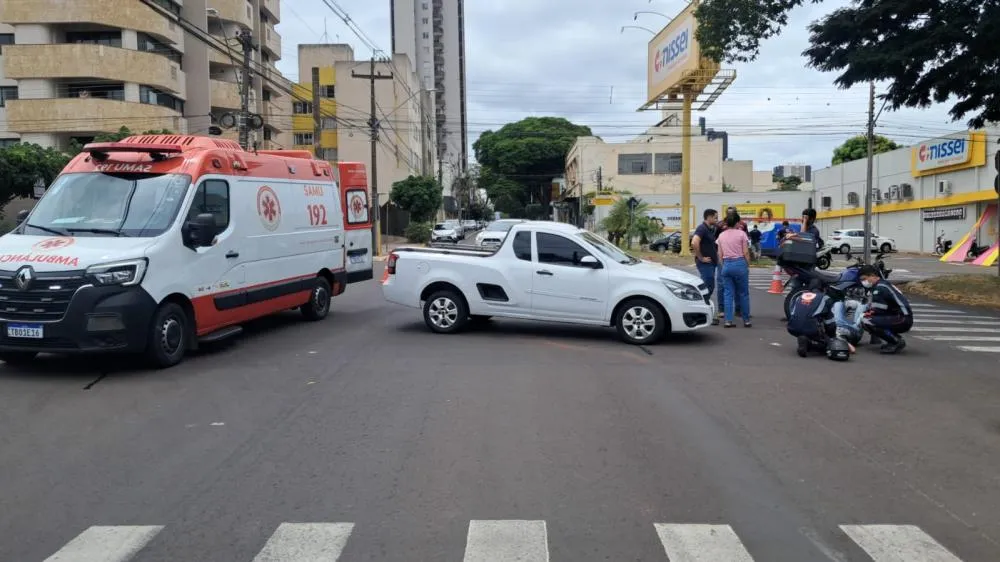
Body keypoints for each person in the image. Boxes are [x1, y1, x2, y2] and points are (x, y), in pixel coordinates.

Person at [858, 265, 913, 353]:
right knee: (870, 319)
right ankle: (893, 339)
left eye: (864, 278)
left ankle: (896, 341)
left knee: (867, 320)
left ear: (873, 275)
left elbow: (878, 310)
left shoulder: (879, 288)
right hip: (901, 316)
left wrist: (864, 315)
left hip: (902, 318)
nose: (863, 282)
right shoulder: (883, 284)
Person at [717, 212, 751, 327]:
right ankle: (746, 320)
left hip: (726, 265)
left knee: (728, 294)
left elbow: (719, 254)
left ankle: (728, 320)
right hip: (740, 263)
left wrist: (724, 264)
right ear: (737, 222)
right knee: (743, 293)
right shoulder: (742, 234)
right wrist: (747, 264)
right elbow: (746, 252)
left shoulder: (721, 235)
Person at [691, 208, 720, 325]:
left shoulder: (710, 229)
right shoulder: (702, 228)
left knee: (709, 287)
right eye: (715, 217)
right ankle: (701, 312)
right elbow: (694, 242)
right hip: (705, 264)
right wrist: (701, 257)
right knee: (707, 288)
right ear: (709, 217)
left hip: (711, 263)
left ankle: (705, 312)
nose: (717, 220)